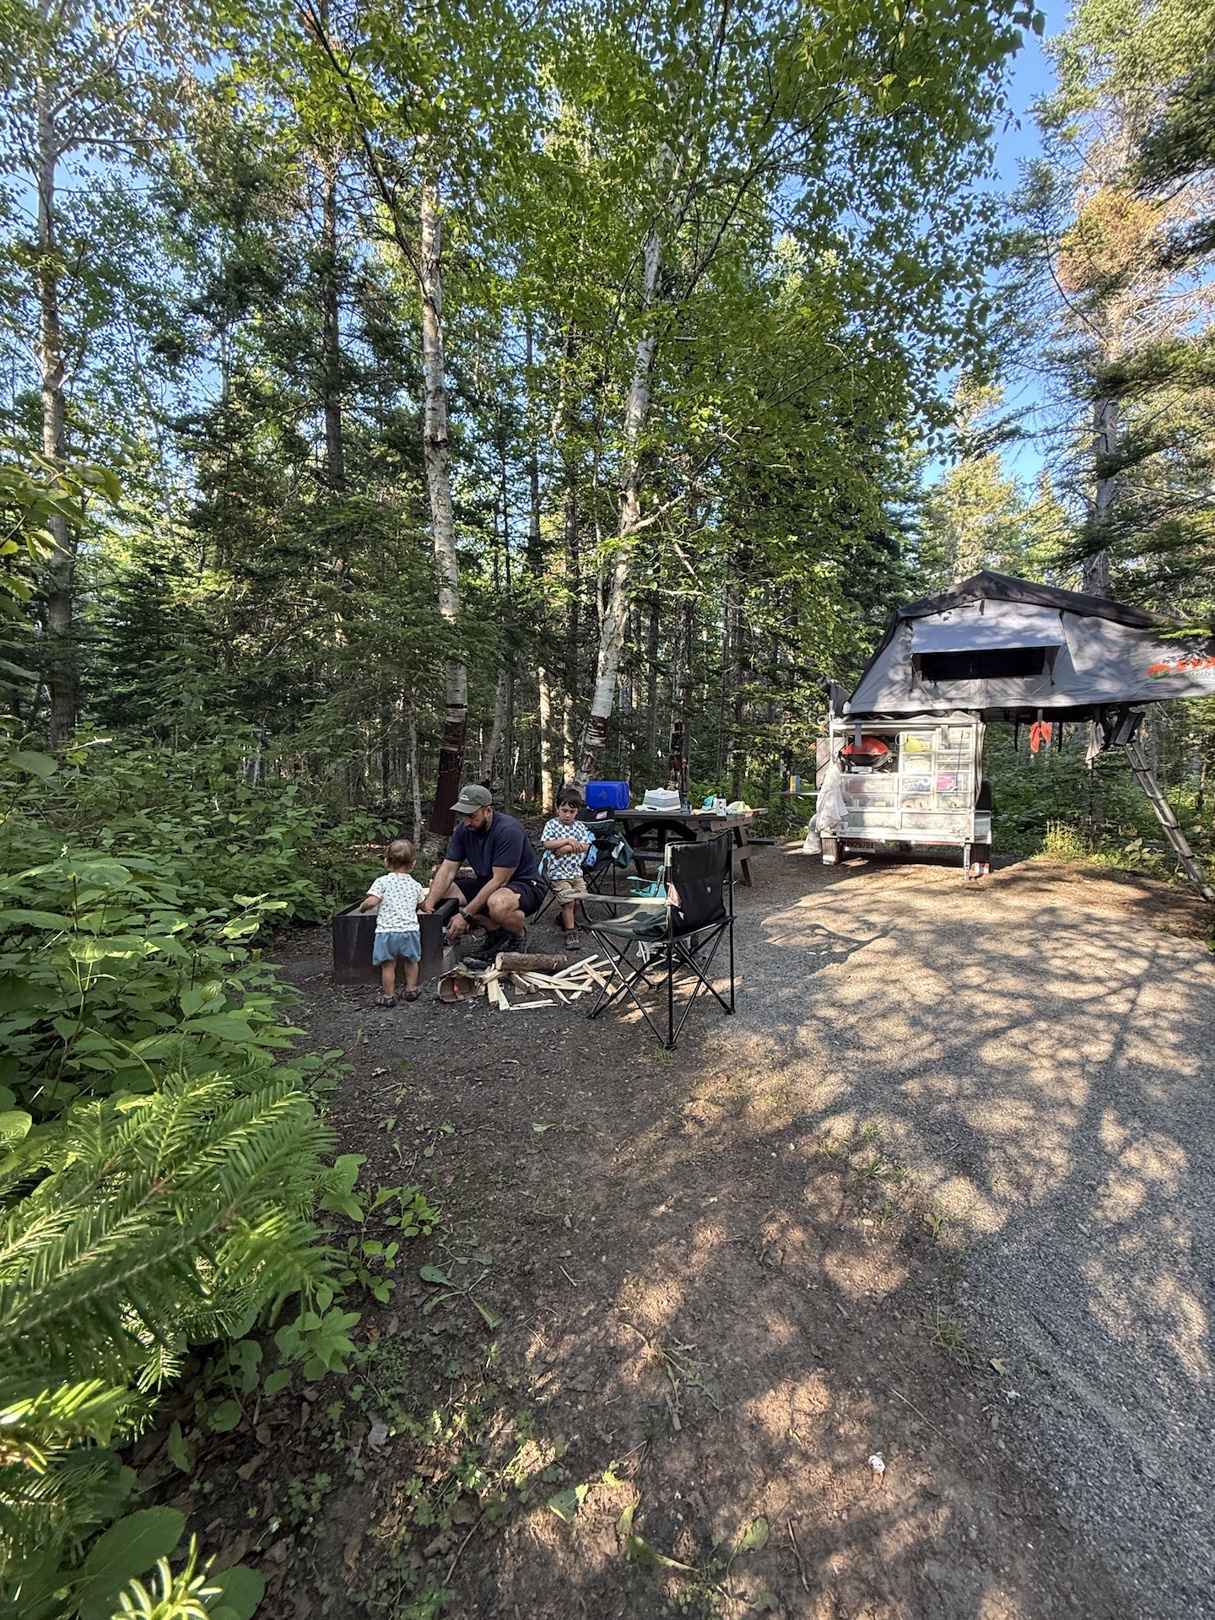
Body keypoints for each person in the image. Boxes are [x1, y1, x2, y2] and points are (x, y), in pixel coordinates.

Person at [420, 783, 547, 962]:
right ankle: (496, 930)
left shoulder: (508, 830)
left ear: (488, 811)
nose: (466, 822)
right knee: (439, 892)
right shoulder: (463, 831)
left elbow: (499, 881)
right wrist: (429, 906)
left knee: (498, 903)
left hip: (524, 886)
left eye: (472, 816)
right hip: (487, 882)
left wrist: (465, 915)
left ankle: (519, 934)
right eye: (463, 816)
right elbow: (448, 869)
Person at [360, 838, 426, 1008]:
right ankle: (411, 989)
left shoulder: (382, 882)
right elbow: (422, 904)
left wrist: (363, 907)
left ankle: (389, 995)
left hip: (387, 932)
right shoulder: (415, 885)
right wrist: (426, 908)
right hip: (410, 931)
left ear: (386, 861)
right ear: (413, 864)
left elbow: (372, 901)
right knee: (411, 961)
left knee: (388, 965)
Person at [539, 790, 594, 951]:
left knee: (577, 901)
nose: (568, 815)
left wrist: (567, 848)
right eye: (564, 811)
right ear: (558, 809)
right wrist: (569, 841)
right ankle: (570, 933)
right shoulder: (552, 825)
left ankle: (562, 918)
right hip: (559, 873)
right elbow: (547, 844)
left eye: (572, 811)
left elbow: (585, 846)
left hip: (576, 872)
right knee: (569, 902)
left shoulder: (580, 826)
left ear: (577, 811)